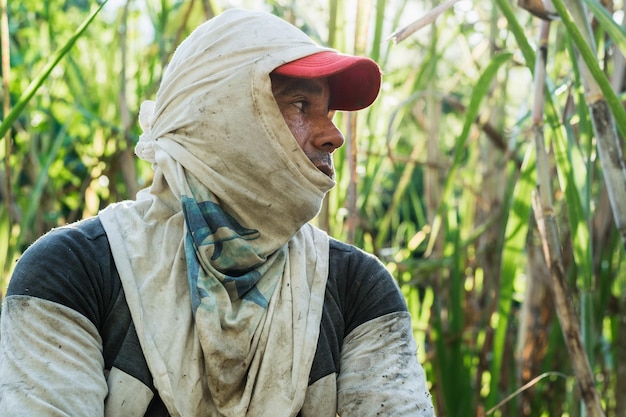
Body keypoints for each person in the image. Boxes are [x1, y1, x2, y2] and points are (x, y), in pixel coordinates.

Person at [0, 8, 435, 417]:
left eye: (331, 112)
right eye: (301, 105)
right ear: (218, 113)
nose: (333, 136)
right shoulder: (73, 271)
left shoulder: (355, 286)